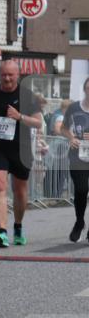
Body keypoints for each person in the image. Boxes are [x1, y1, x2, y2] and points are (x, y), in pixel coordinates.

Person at [0, 60, 42, 247]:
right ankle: (3, 231)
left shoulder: (27, 96)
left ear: (18, 75)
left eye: (10, 75)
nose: (6, 78)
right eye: (4, 74)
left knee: (20, 190)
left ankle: (18, 226)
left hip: (20, 149)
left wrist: (19, 116)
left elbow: (38, 122)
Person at [60, 77, 89, 242]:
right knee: (81, 190)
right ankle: (79, 222)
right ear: (85, 89)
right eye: (88, 88)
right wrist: (71, 137)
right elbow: (63, 128)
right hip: (78, 156)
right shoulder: (74, 107)